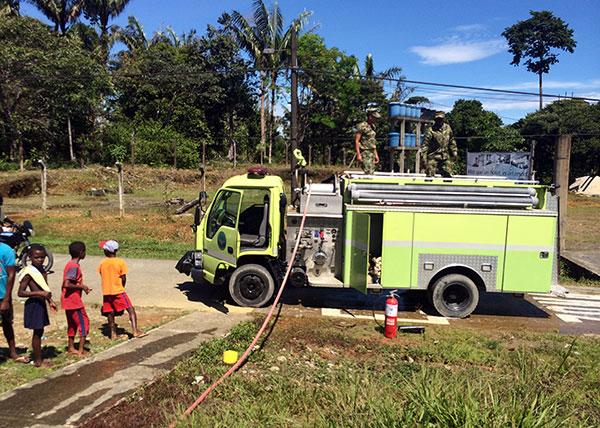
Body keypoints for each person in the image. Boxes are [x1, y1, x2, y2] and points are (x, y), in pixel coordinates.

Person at [17, 244, 57, 367]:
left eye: (42, 257)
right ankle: (38, 361)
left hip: (41, 303)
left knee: (40, 331)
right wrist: (39, 293)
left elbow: (45, 288)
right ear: (30, 257)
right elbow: (20, 292)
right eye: (36, 257)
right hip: (34, 304)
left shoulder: (42, 270)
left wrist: (50, 301)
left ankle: (38, 357)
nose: (40, 260)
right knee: (37, 332)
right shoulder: (29, 272)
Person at [97, 240, 145, 339]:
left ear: (106, 251)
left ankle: (113, 334)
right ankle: (135, 331)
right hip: (118, 290)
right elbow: (123, 278)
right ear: (116, 250)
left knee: (110, 312)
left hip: (106, 291)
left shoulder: (102, 263)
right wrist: (122, 286)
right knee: (130, 309)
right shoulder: (120, 262)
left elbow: (102, 274)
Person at [62, 241, 92, 356]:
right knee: (84, 322)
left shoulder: (70, 264)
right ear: (81, 252)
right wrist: (82, 286)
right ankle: (80, 350)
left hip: (67, 300)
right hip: (74, 301)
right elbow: (67, 284)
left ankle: (70, 347)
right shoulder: (74, 266)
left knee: (72, 324)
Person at [1, 241, 25, 362]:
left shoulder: (6, 250)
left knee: (7, 323)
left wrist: (6, 299)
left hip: (2, 295)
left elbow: (11, 275)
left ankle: (13, 352)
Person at [421, 111, 458, 177]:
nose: (439, 121)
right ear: (435, 120)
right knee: (430, 174)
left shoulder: (448, 128)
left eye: (441, 119)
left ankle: (447, 186)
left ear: (443, 119)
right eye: (437, 119)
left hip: (445, 156)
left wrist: (454, 152)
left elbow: (452, 140)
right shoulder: (431, 130)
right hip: (433, 156)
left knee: (448, 174)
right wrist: (424, 157)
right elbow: (425, 145)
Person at [354, 107, 381, 174]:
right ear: (370, 117)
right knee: (368, 172)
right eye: (375, 118)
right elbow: (357, 141)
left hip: (372, 153)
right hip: (365, 152)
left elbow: (372, 142)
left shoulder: (373, 127)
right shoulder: (362, 126)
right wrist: (358, 154)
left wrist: (376, 154)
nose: (376, 120)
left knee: (372, 172)